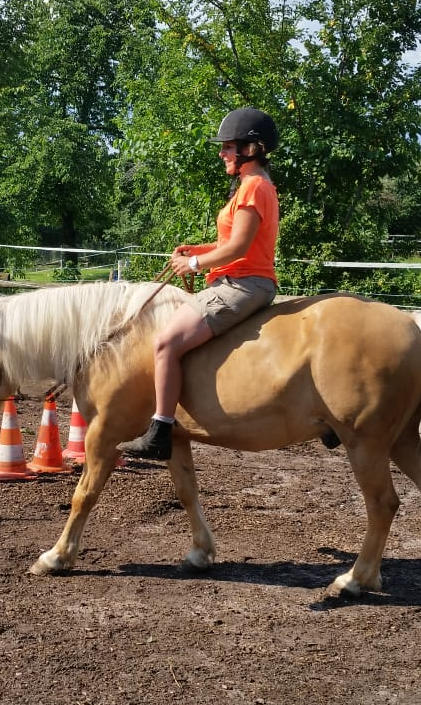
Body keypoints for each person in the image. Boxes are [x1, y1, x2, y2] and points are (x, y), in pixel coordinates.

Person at [119, 107, 281, 460]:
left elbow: (238, 249)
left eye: (228, 147)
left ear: (250, 149)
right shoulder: (252, 186)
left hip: (242, 285)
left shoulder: (252, 188)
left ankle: (160, 429)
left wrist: (193, 263)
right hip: (244, 279)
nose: (222, 153)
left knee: (165, 343)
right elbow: (233, 245)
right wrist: (198, 251)